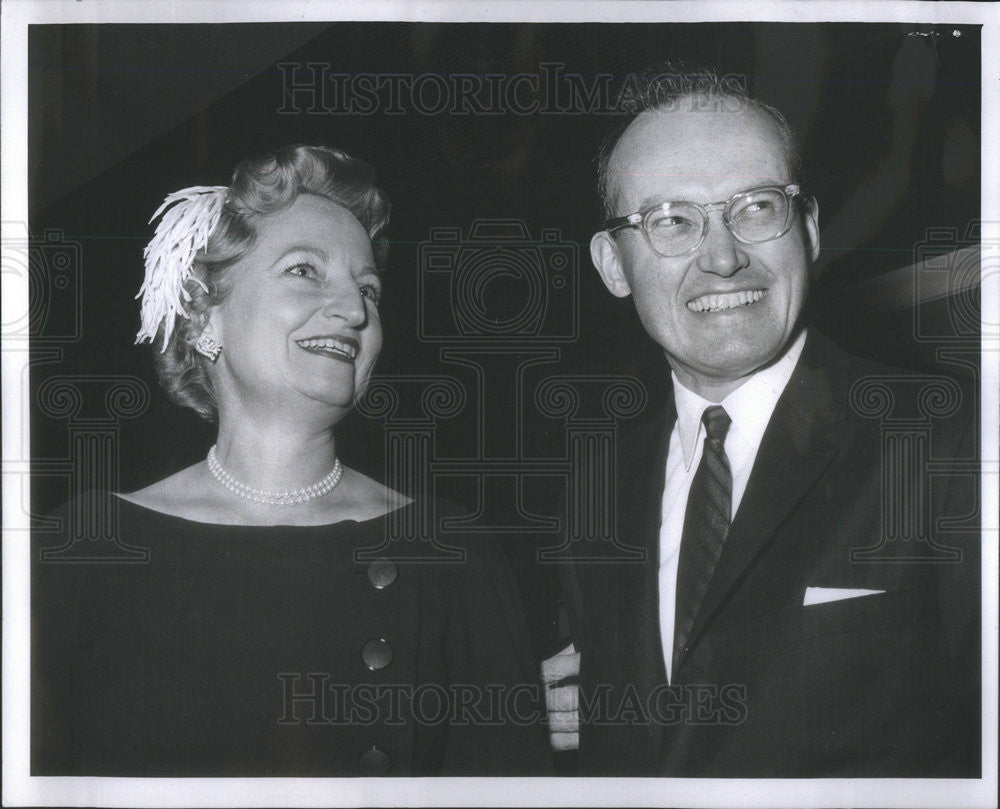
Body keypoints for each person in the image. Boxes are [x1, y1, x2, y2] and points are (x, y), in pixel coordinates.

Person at [32, 144, 553, 776]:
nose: (355, 310)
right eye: (305, 270)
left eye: (369, 288)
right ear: (205, 316)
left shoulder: (448, 551)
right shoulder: (80, 547)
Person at [545, 66, 980, 776]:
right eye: (673, 221)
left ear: (806, 228)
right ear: (612, 264)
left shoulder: (948, 441)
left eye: (755, 208)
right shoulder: (595, 489)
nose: (722, 257)